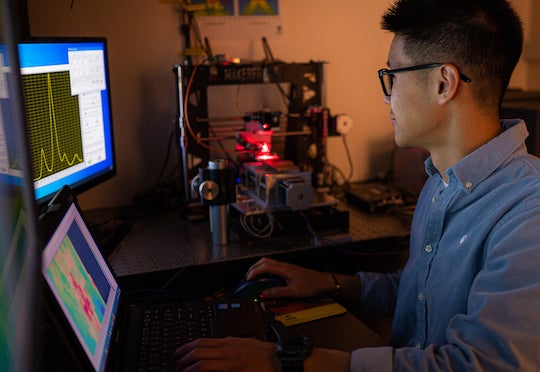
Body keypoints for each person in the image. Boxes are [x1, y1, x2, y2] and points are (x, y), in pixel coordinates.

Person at [175, 0, 540, 370]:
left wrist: (287, 361)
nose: (385, 95)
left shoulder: (528, 214)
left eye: (392, 76)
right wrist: (330, 282)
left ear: (443, 83)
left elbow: (483, 365)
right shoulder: (440, 182)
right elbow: (420, 294)